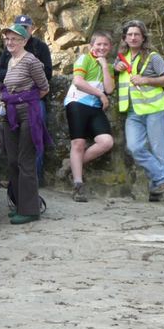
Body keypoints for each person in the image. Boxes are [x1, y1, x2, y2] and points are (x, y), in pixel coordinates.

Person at [114, 20, 164, 200]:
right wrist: (114, 68)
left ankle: (156, 191)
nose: (133, 37)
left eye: (137, 34)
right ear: (125, 38)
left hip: (154, 109)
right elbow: (117, 75)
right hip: (133, 112)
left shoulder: (153, 57)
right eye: (130, 34)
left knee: (158, 151)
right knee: (134, 147)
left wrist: (146, 80)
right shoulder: (121, 58)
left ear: (143, 37)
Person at [0, 23, 50, 224]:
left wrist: (24, 100)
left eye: (15, 39)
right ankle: (20, 203)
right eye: (7, 39)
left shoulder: (31, 61)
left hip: (29, 114)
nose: (10, 42)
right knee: (12, 160)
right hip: (10, 114)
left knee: (25, 160)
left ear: (24, 41)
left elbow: (44, 88)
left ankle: (30, 210)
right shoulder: (10, 61)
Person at [63, 31, 116, 202]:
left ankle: (72, 165)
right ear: (91, 46)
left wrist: (105, 66)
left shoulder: (108, 66)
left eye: (105, 44)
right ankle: (78, 184)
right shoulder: (84, 59)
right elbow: (78, 82)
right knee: (78, 143)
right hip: (77, 103)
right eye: (98, 44)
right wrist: (99, 95)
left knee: (106, 141)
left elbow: (109, 89)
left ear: (110, 47)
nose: (101, 47)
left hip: (94, 108)